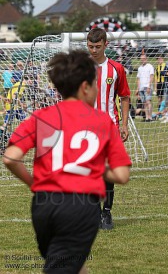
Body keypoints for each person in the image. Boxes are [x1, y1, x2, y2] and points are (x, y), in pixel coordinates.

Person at [3, 50, 131, 274]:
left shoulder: (41, 116)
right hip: (80, 206)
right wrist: (92, 166)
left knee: (69, 262)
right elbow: (121, 175)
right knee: (62, 266)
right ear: (85, 87)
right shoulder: (101, 120)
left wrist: (33, 183)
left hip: (43, 205)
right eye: (94, 84)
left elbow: (11, 157)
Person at [87, 28, 130, 230]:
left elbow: (124, 97)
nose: (93, 50)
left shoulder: (116, 68)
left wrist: (124, 124)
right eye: (90, 46)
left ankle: (106, 213)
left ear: (106, 45)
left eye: (97, 46)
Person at [136, 54, 154, 122]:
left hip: (147, 86)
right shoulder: (139, 68)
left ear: (146, 59)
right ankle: (146, 117)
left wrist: (149, 86)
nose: (142, 60)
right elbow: (138, 79)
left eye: (144, 59)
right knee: (144, 103)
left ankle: (150, 117)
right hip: (141, 87)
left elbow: (151, 76)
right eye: (141, 59)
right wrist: (137, 89)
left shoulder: (150, 66)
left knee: (148, 101)